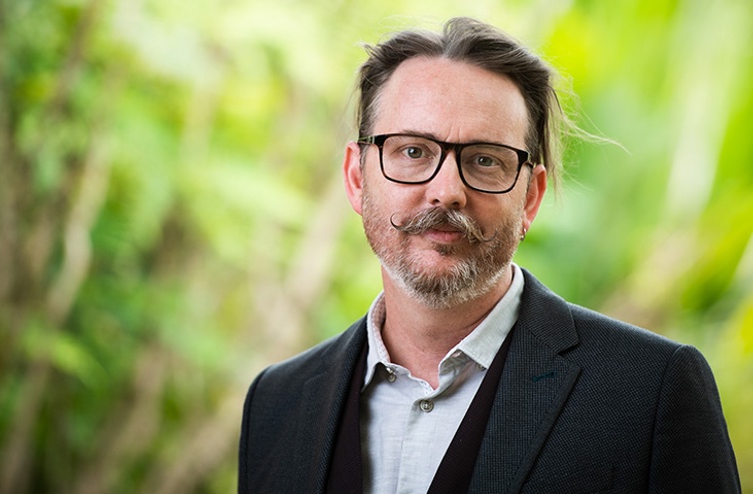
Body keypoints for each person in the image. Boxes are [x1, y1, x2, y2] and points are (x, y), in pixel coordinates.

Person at [238, 17, 740, 494]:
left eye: (485, 160)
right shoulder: (276, 403)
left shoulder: (649, 393)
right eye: (413, 151)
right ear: (355, 177)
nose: (447, 191)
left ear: (531, 198)